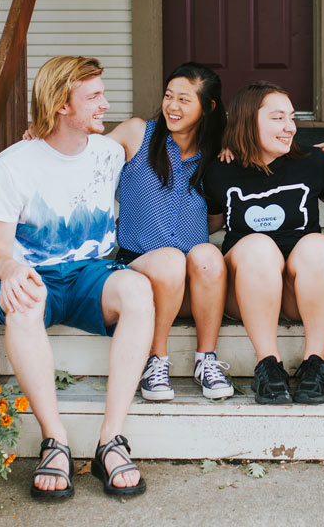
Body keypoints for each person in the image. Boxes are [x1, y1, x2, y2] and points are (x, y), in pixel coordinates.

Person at [0, 56, 149, 500]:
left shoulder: (110, 151)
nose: (105, 104)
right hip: (36, 275)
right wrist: (11, 269)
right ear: (61, 104)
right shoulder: (12, 164)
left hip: (93, 275)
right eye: (93, 97)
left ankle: (110, 441)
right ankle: (54, 440)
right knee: (19, 300)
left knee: (137, 290)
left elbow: (146, 129)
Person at [202, 81, 324, 405]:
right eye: (278, 118)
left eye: (292, 117)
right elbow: (205, 224)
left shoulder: (312, 162)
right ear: (246, 121)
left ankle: (315, 364)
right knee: (258, 246)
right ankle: (268, 365)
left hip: (297, 294)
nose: (290, 127)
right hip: (243, 293)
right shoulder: (219, 170)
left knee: (320, 246)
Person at [106, 63, 233, 402]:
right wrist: (41, 137)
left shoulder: (216, 155)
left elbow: (217, 219)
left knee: (206, 255)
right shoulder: (137, 133)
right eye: (168, 96)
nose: (172, 106)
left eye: (184, 100)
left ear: (207, 107)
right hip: (138, 277)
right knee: (169, 260)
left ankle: (206, 360)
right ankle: (155, 360)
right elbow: (85, 158)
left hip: (190, 288)